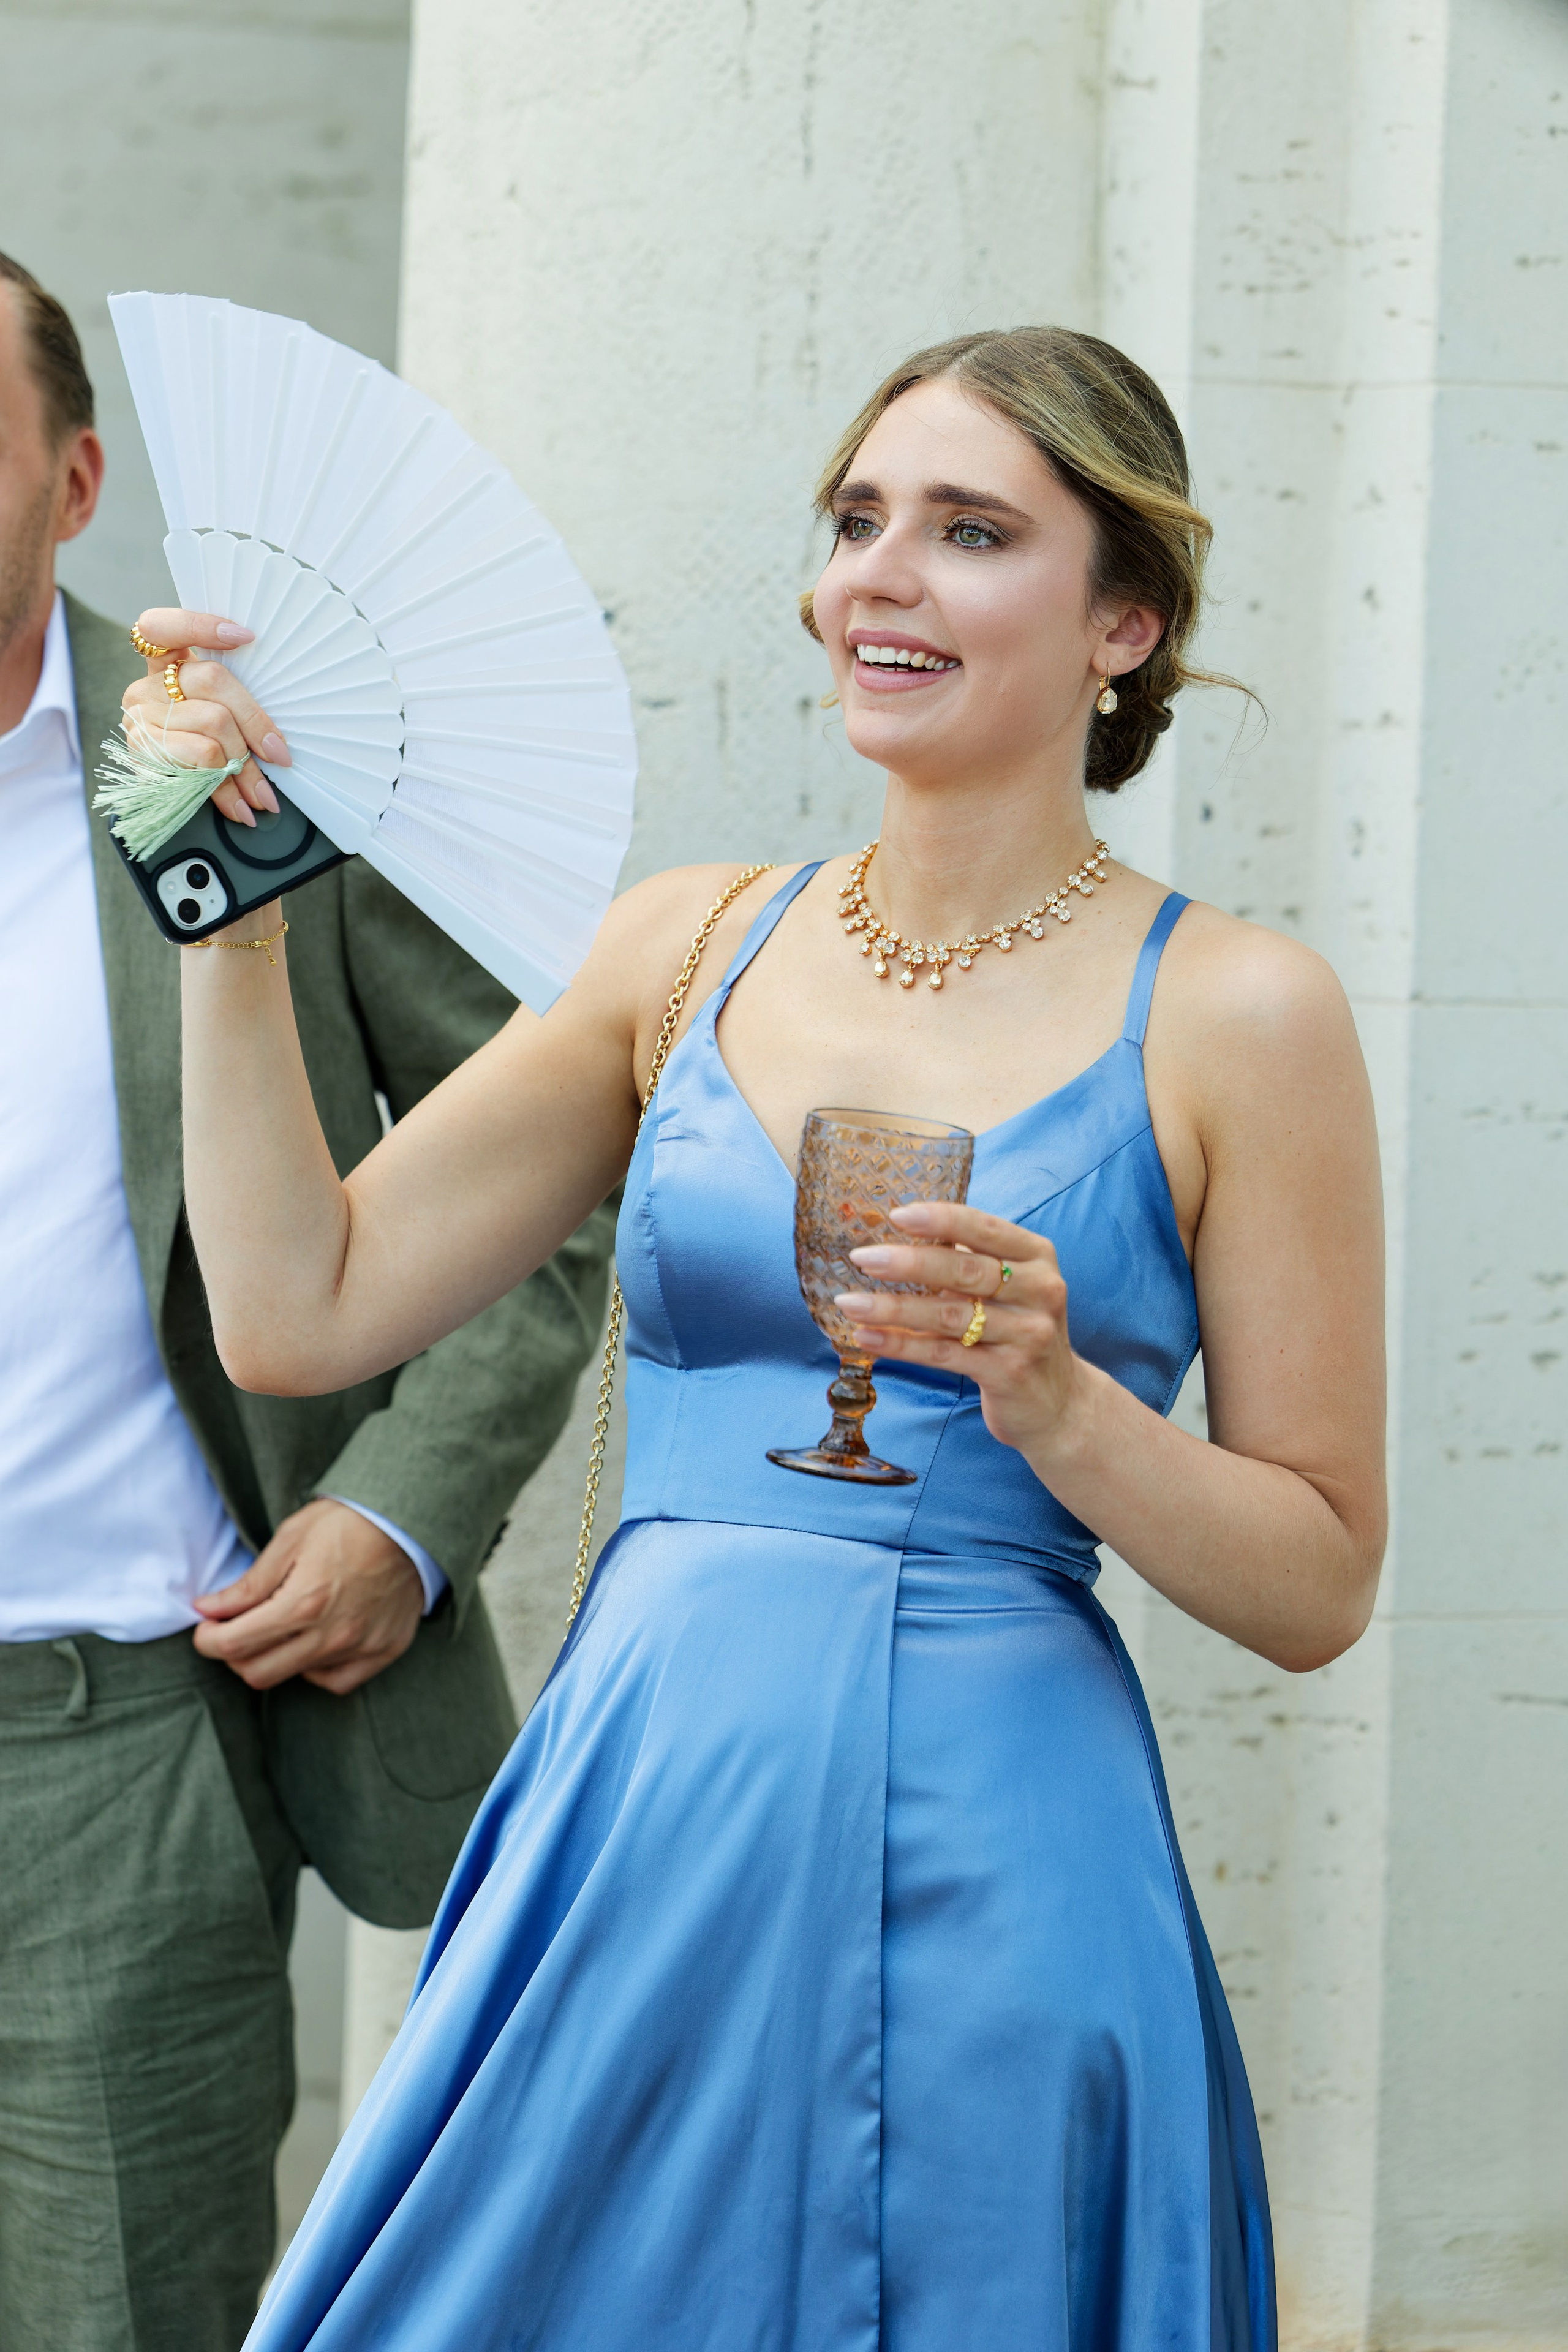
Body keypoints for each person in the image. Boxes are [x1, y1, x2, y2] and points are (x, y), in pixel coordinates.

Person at [127, 326, 1386, 2351]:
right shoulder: (685, 943)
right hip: (648, 1805)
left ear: (1123, 624)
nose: (879, 574)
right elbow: (299, 1309)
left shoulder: (1245, 1013)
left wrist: (1062, 1406)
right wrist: (238, 913)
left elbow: (1322, 1578)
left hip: (1009, 1842)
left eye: (971, 531)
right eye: (857, 520)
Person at [0, 252, 614, 2350]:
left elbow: (540, 1169)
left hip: (105, 1761)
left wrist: (402, 1502)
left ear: (75, 479)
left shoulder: (260, 781)